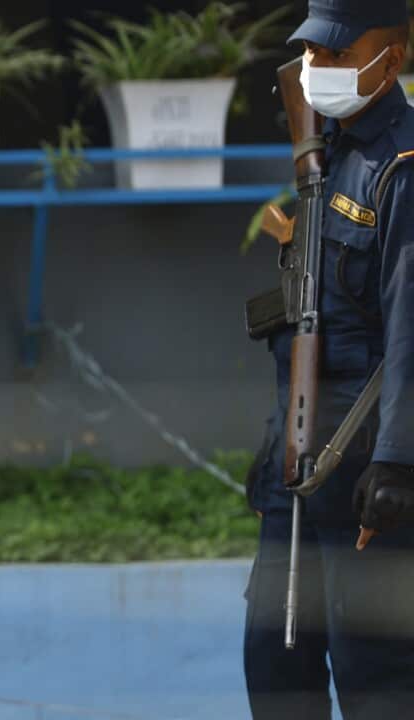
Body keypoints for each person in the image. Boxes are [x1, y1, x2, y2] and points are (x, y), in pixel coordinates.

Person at [245, 1, 414, 717]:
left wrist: (400, 462)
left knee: (375, 676)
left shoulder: (401, 167)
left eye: (339, 55)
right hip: (298, 458)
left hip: (366, 465)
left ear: (391, 60)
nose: (317, 69)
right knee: (276, 666)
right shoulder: (326, 153)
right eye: (313, 52)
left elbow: (409, 327)